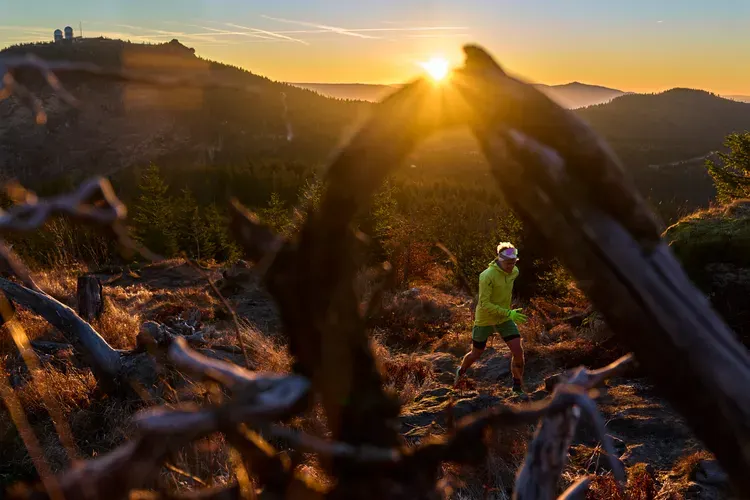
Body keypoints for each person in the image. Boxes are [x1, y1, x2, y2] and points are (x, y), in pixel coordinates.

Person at [454, 242, 528, 394]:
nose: (511, 266)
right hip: (485, 319)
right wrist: (509, 313)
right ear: (500, 260)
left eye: (514, 262)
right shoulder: (487, 275)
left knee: (518, 351)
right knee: (476, 353)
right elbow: (484, 303)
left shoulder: (514, 271)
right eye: (508, 263)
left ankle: (517, 387)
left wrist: (507, 314)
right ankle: (460, 372)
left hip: (504, 318)